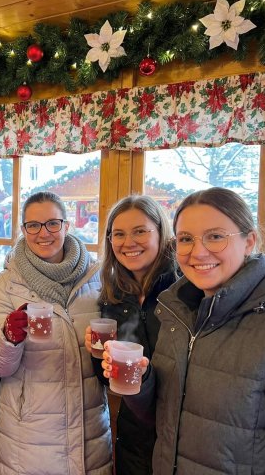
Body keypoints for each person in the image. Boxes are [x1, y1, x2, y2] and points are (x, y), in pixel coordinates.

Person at [102, 187, 265, 474]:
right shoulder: (179, 311)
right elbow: (166, 416)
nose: (198, 251)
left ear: (250, 241)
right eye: (187, 239)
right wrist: (141, 377)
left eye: (215, 236)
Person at [0, 191, 113, 474]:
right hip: (28, 438)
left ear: (66, 226)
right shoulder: (6, 284)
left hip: (89, 430)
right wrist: (9, 337)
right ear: (23, 230)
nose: (44, 233)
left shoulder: (97, 279)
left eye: (53, 223)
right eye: (34, 225)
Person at [83, 195, 177, 475]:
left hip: (182, 436)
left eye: (140, 231)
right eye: (119, 234)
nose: (128, 242)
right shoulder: (114, 297)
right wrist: (99, 355)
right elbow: (110, 381)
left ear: (161, 233)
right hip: (134, 438)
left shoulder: (185, 291)